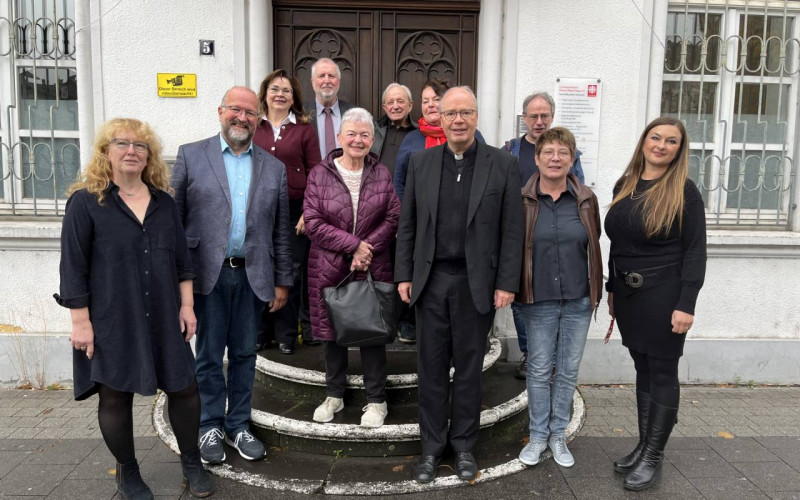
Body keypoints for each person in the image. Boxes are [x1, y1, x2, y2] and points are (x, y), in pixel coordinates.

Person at [55, 118, 213, 498]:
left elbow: (182, 261)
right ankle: (128, 472)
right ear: (105, 152)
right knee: (115, 394)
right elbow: (72, 266)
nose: (131, 151)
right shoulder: (86, 203)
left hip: (163, 312)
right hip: (112, 316)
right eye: (122, 143)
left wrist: (187, 305)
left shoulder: (163, 202)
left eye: (140, 146)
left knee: (185, 388)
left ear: (149, 156)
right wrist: (81, 322)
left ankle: (191, 461)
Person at [395, 87, 523, 483]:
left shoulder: (502, 164)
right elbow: (408, 224)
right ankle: (431, 449)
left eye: (466, 112)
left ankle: (464, 446)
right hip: (431, 282)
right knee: (430, 368)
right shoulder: (421, 162)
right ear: (440, 119)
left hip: (477, 283)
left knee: (469, 369)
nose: (458, 120)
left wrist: (506, 282)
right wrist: (404, 274)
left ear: (476, 117)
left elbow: (512, 229)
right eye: (450, 113)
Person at [171, 86, 293, 465]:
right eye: (235, 110)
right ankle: (209, 424)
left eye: (249, 113)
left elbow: (281, 231)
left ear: (258, 119)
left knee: (245, 355)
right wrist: (176, 281)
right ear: (220, 111)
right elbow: (173, 224)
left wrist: (282, 280)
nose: (242, 117)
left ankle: (238, 425)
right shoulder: (191, 156)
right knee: (208, 356)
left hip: (253, 276)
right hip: (206, 276)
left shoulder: (274, 167)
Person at [605, 116, 706, 491]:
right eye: (656, 137)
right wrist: (613, 292)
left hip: (665, 296)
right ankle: (645, 444)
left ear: (680, 150)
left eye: (671, 141)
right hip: (629, 296)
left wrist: (687, 304)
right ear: (644, 141)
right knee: (642, 367)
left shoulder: (685, 191)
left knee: (662, 371)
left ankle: (653, 456)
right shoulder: (626, 184)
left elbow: (696, 251)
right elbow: (617, 245)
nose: (661, 145)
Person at [304, 108, 401, 428]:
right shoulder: (320, 173)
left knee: (372, 331)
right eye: (352, 134)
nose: (358, 140)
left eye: (364, 135)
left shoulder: (382, 173)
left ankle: (377, 401)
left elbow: (392, 217)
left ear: (373, 139)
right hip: (329, 265)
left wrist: (366, 249)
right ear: (339, 138)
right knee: (331, 334)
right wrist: (352, 246)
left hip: (373, 264)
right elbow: (313, 223)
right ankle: (334, 394)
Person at [515, 127, 602, 470]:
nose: (555, 158)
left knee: (566, 371)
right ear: (536, 158)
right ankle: (537, 437)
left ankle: (557, 435)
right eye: (548, 151)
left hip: (579, 299)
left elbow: (592, 243)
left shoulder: (586, 199)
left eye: (563, 152)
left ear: (572, 158)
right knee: (538, 370)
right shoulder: (521, 200)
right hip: (538, 301)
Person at [391, 78, 485, 344]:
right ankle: (410, 323)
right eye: (425, 101)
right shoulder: (412, 139)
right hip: (420, 225)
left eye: (435, 99)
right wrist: (405, 217)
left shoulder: (472, 136)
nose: (430, 104)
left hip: (459, 233)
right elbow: (400, 181)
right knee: (417, 277)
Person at [503, 91, 586, 379]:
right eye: (533, 116)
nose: (539, 122)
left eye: (545, 116)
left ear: (552, 117)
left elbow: (580, 195)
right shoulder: (511, 150)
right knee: (521, 300)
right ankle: (530, 353)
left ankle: (551, 357)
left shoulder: (565, 153)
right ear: (523, 118)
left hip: (555, 237)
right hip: (521, 235)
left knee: (555, 300)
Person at [253, 69, 322, 354]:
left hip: (295, 209)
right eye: (275, 89)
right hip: (256, 208)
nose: (280, 95)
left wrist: (308, 211)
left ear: (293, 97)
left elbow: (315, 172)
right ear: (265, 94)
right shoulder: (253, 126)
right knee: (259, 268)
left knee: (290, 271)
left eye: (286, 91)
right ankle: (260, 332)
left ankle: (286, 334)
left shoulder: (304, 129)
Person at [305, 57, 354, 158]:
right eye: (321, 76)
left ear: (339, 82)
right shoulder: (301, 113)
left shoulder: (353, 112)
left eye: (331, 76)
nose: (327, 81)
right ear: (312, 82)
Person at [370, 82, 417, 176]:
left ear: (410, 105)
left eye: (400, 101)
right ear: (385, 107)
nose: (395, 107)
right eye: (390, 102)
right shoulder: (374, 131)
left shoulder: (419, 134)